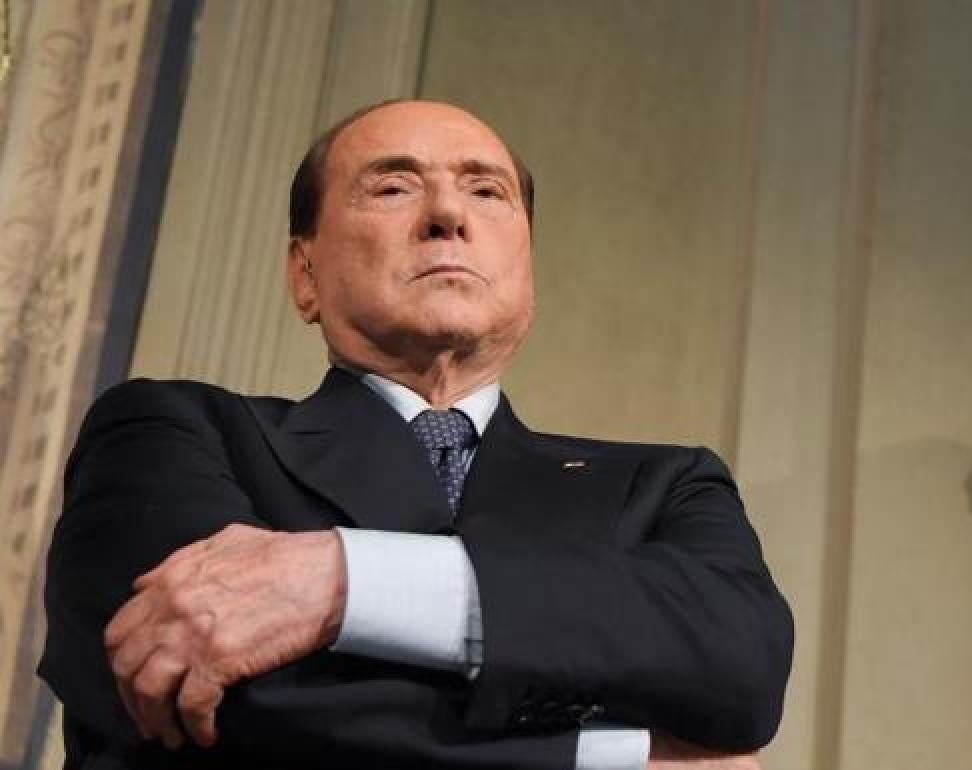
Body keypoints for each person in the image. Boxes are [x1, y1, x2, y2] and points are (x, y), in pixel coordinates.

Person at [39, 100, 794, 770]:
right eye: (394, 186)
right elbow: (213, 697)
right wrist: (616, 757)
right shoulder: (172, 432)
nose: (447, 215)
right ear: (305, 274)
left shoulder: (663, 485)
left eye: (486, 191)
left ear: (527, 268)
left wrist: (339, 579)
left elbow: (741, 666)